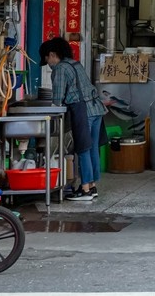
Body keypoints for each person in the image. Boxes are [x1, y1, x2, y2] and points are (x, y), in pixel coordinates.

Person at [42, 36, 108, 201]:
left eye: (46, 58)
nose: (47, 62)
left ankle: (84, 189)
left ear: (52, 54)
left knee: (83, 149)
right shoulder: (75, 63)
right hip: (96, 108)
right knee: (92, 148)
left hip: (82, 110)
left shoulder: (60, 68)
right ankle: (92, 186)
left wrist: (49, 110)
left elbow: (57, 98)